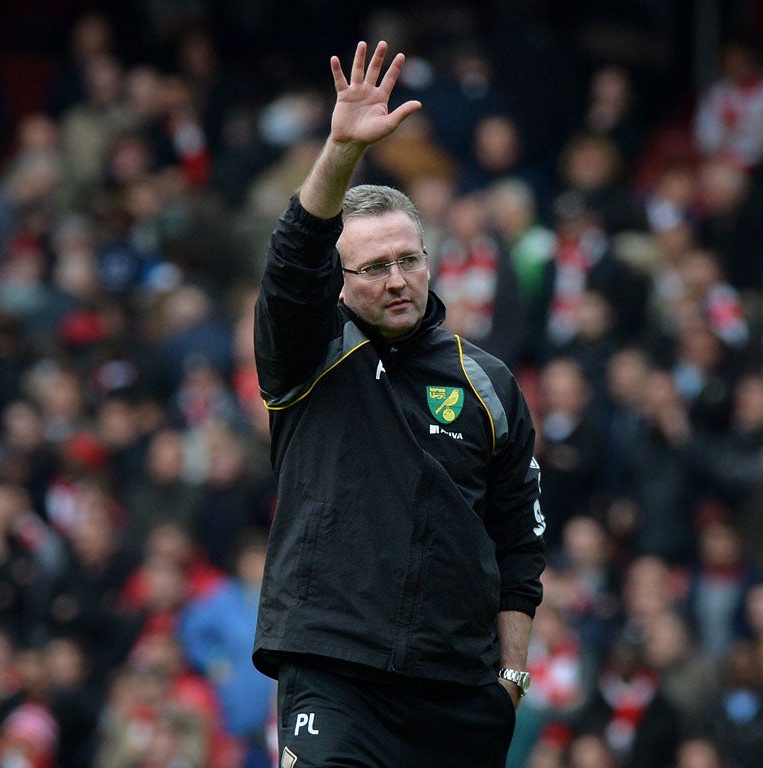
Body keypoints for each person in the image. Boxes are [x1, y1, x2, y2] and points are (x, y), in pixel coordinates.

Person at [252, 41, 546, 767]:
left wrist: (509, 680)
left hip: (458, 694)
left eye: (407, 259)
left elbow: (519, 544)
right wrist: (341, 150)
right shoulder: (307, 353)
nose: (395, 280)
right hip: (334, 676)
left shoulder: (488, 383)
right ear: (342, 281)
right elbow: (293, 264)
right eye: (373, 266)